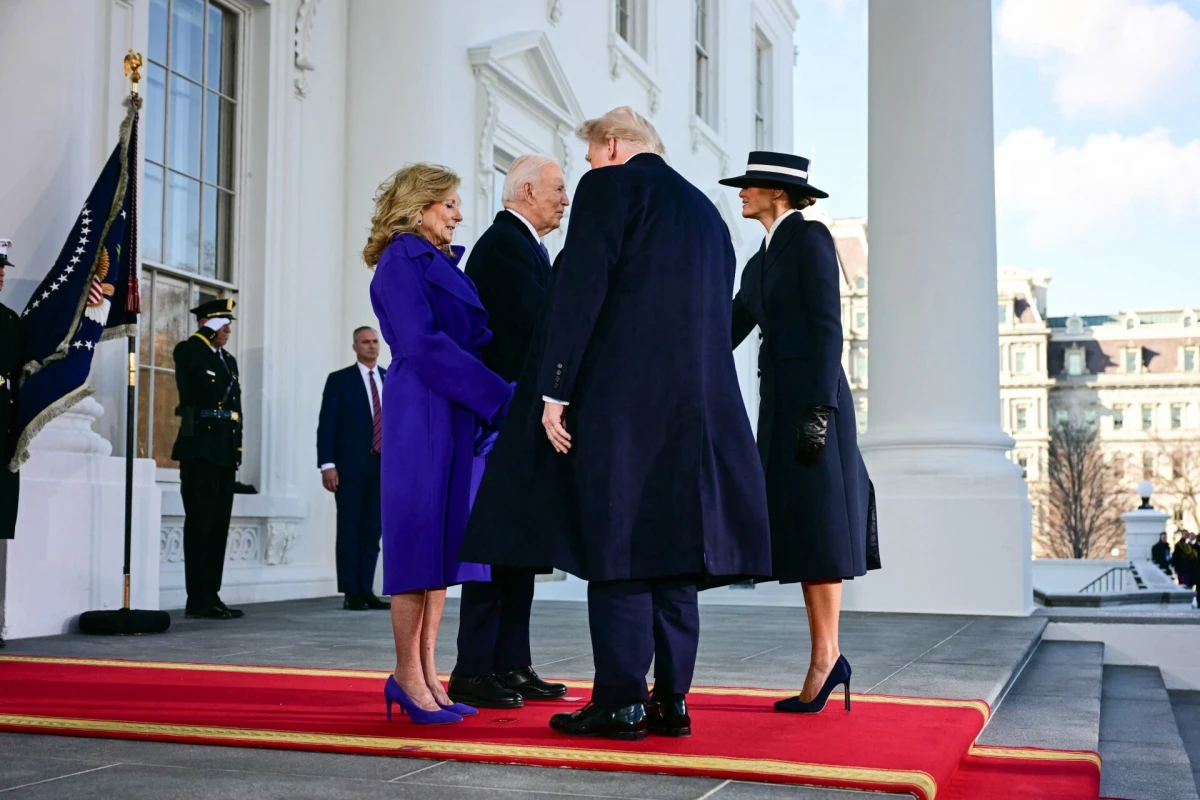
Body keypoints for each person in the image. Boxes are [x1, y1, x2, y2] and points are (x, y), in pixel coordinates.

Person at [462, 107, 771, 740]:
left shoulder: (610, 187)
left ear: (609, 146)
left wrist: (554, 390)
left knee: (620, 549)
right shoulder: (707, 214)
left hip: (622, 409)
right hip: (697, 413)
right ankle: (672, 701)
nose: (585, 173)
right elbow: (716, 317)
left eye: (587, 159)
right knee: (675, 555)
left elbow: (580, 291)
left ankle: (621, 702)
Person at [721, 151, 880, 714]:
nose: (742, 193)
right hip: (779, 404)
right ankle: (826, 655)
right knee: (805, 529)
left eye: (750, 186)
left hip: (815, 403)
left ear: (778, 193)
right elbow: (727, 327)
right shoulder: (759, 260)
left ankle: (826, 657)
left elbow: (827, 328)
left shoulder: (810, 239)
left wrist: (818, 410)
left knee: (820, 526)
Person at [364, 162, 514, 725]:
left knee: (445, 545)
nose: (458, 214)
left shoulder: (435, 260)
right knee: (418, 542)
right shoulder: (401, 258)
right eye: (448, 203)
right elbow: (423, 343)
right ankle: (407, 675)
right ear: (418, 206)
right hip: (424, 406)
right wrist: (497, 395)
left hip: (453, 405)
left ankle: (428, 673)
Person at [450, 155, 570, 709]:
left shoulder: (529, 247)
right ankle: (474, 668)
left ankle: (512, 663)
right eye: (557, 189)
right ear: (525, 191)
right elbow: (536, 327)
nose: (565, 200)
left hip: (524, 422)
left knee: (521, 547)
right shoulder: (503, 245)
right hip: (502, 423)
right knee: (497, 547)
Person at [172, 298, 245, 621]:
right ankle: (197, 597)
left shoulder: (228, 360)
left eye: (228, 324)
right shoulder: (190, 350)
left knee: (218, 528)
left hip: (224, 452)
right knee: (200, 525)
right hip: (199, 450)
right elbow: (190, 378)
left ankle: (211, 593)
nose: (228, 330)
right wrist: (204, 334)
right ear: (206, 324)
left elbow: (235, 411)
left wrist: (237, 450)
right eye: (221, 324)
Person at [317, 326, 389, 611]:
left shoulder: (389, 378)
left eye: (375, 341)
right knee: (350, 529)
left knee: (372, 531)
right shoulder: (340, 380)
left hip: (382, 467)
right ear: (355, 347)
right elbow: (327, 425)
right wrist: (327, 464)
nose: (372, 346)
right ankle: (351, 591)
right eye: (365, 342)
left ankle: (367, 588)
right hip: (349, 468)